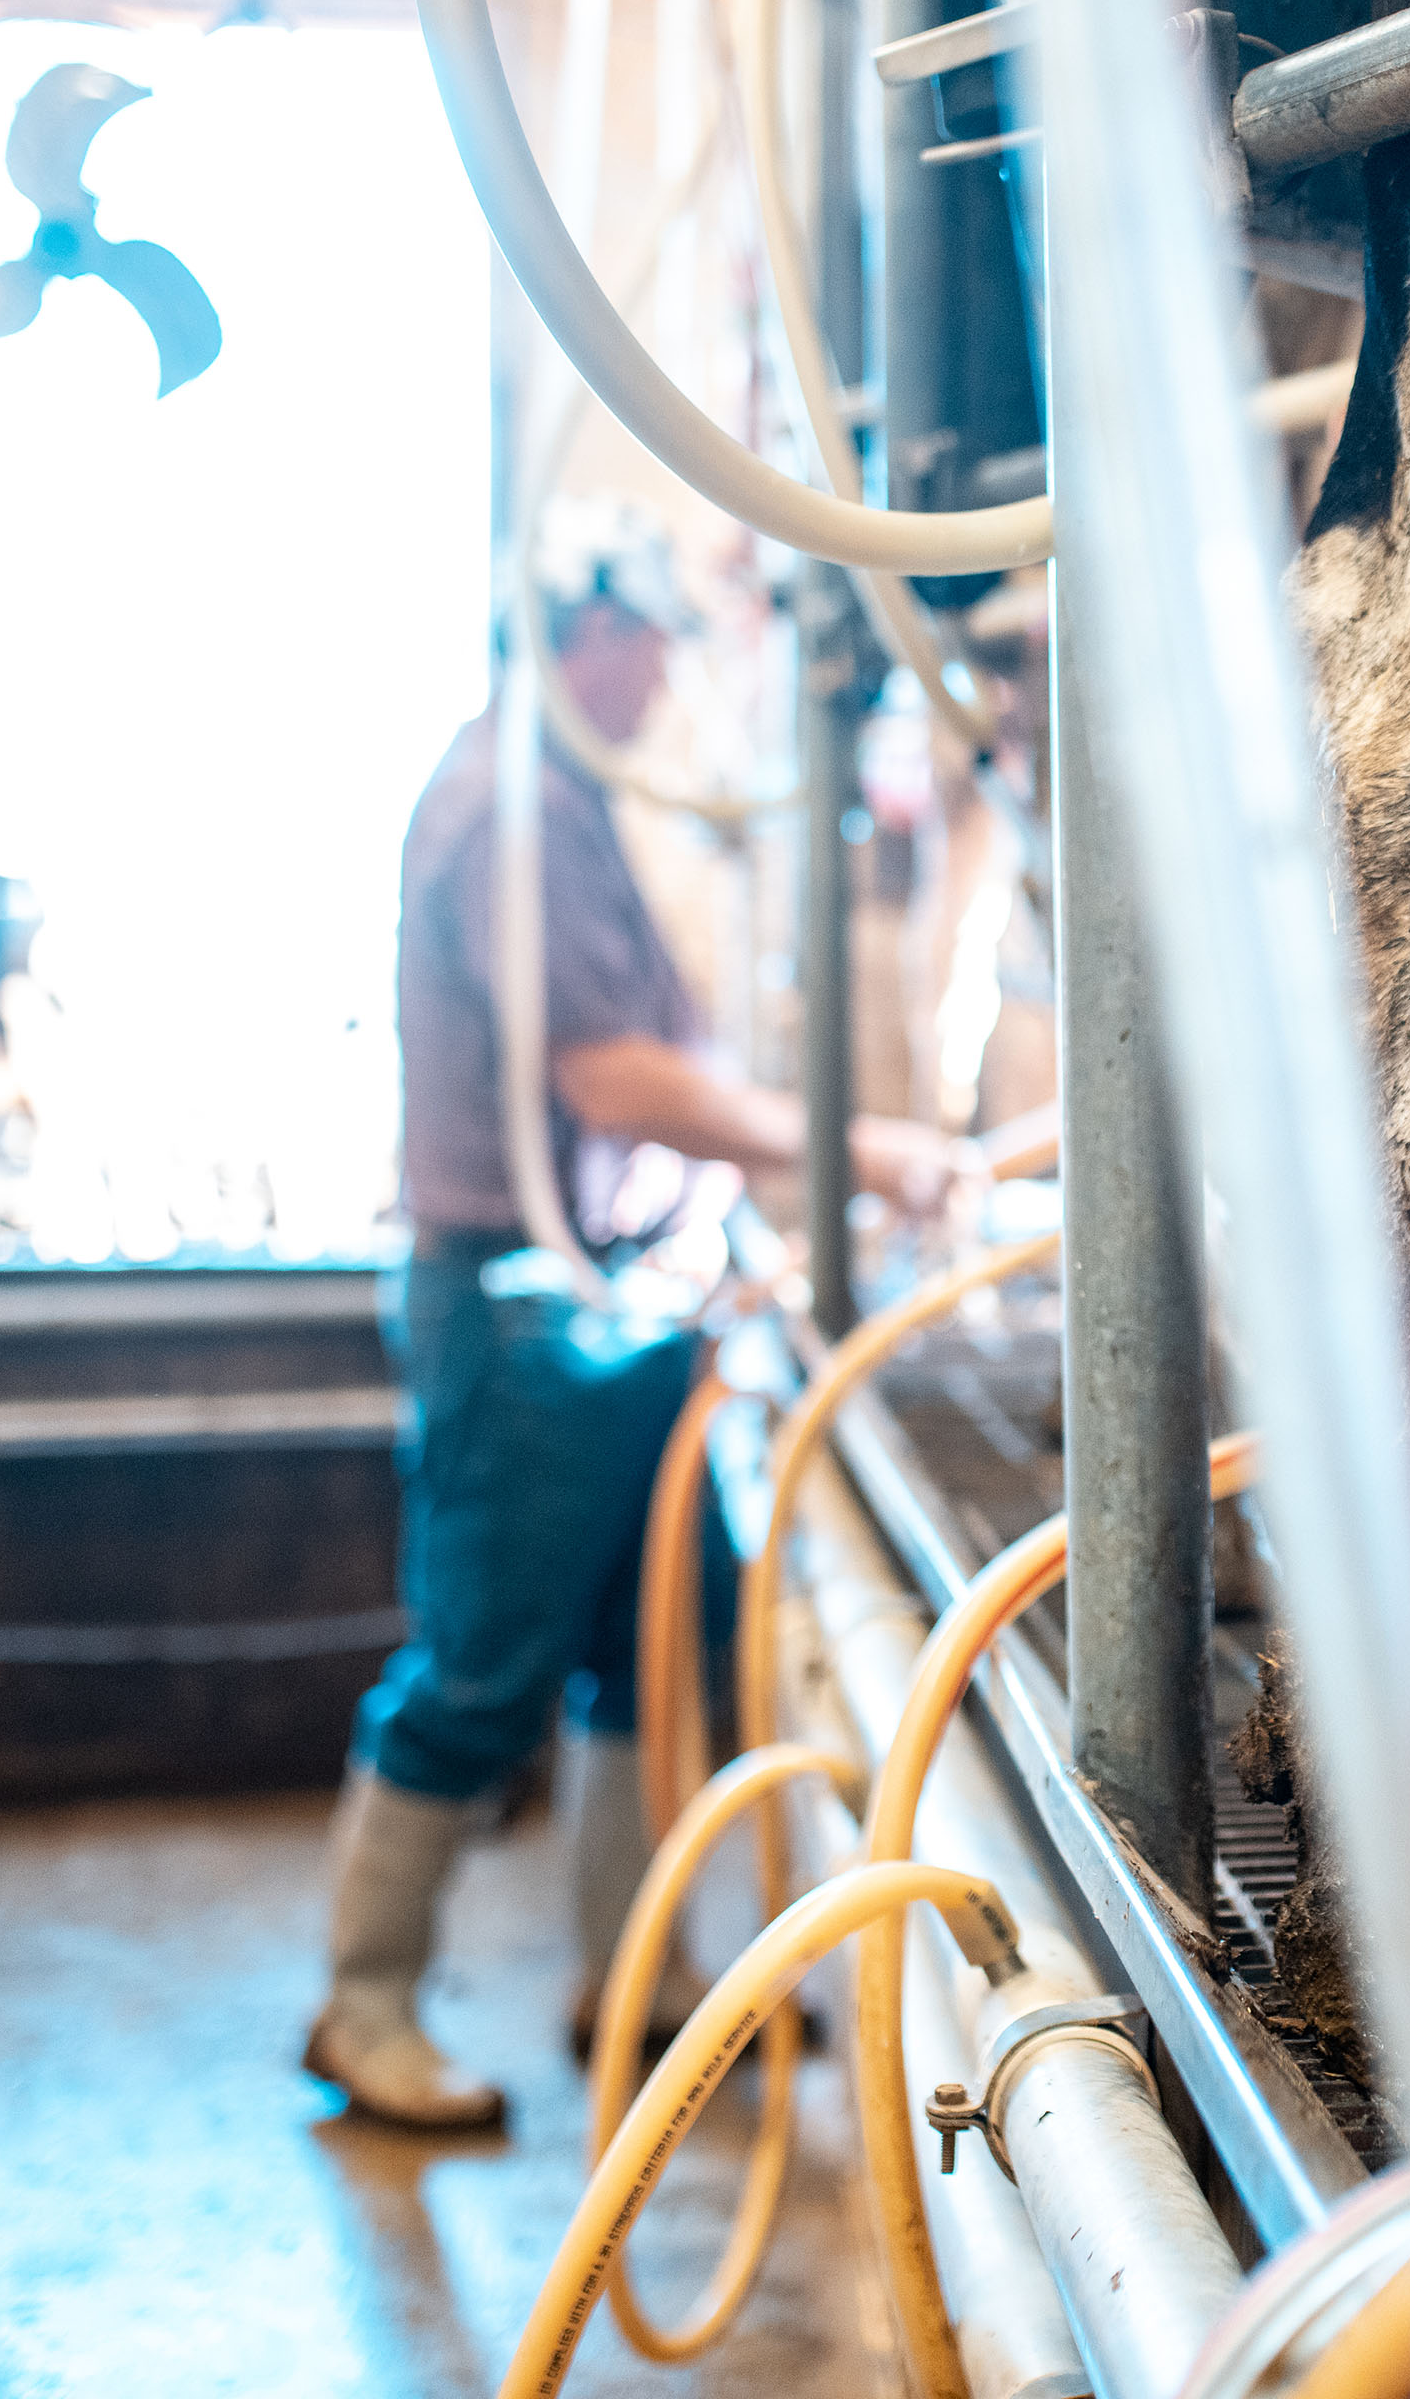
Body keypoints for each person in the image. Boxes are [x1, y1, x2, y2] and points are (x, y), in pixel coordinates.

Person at [304, 499, 971, 2127]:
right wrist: (859, 1150)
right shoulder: (510, 809)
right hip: (521, 1307)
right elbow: (609, 1076)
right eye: (652, 638)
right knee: (479, 1667)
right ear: (585, 632)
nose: (667, 671)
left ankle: (633, 1973)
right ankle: (363, 2004)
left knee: (642, 1652)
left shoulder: (569, 799)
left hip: (611, 1303)